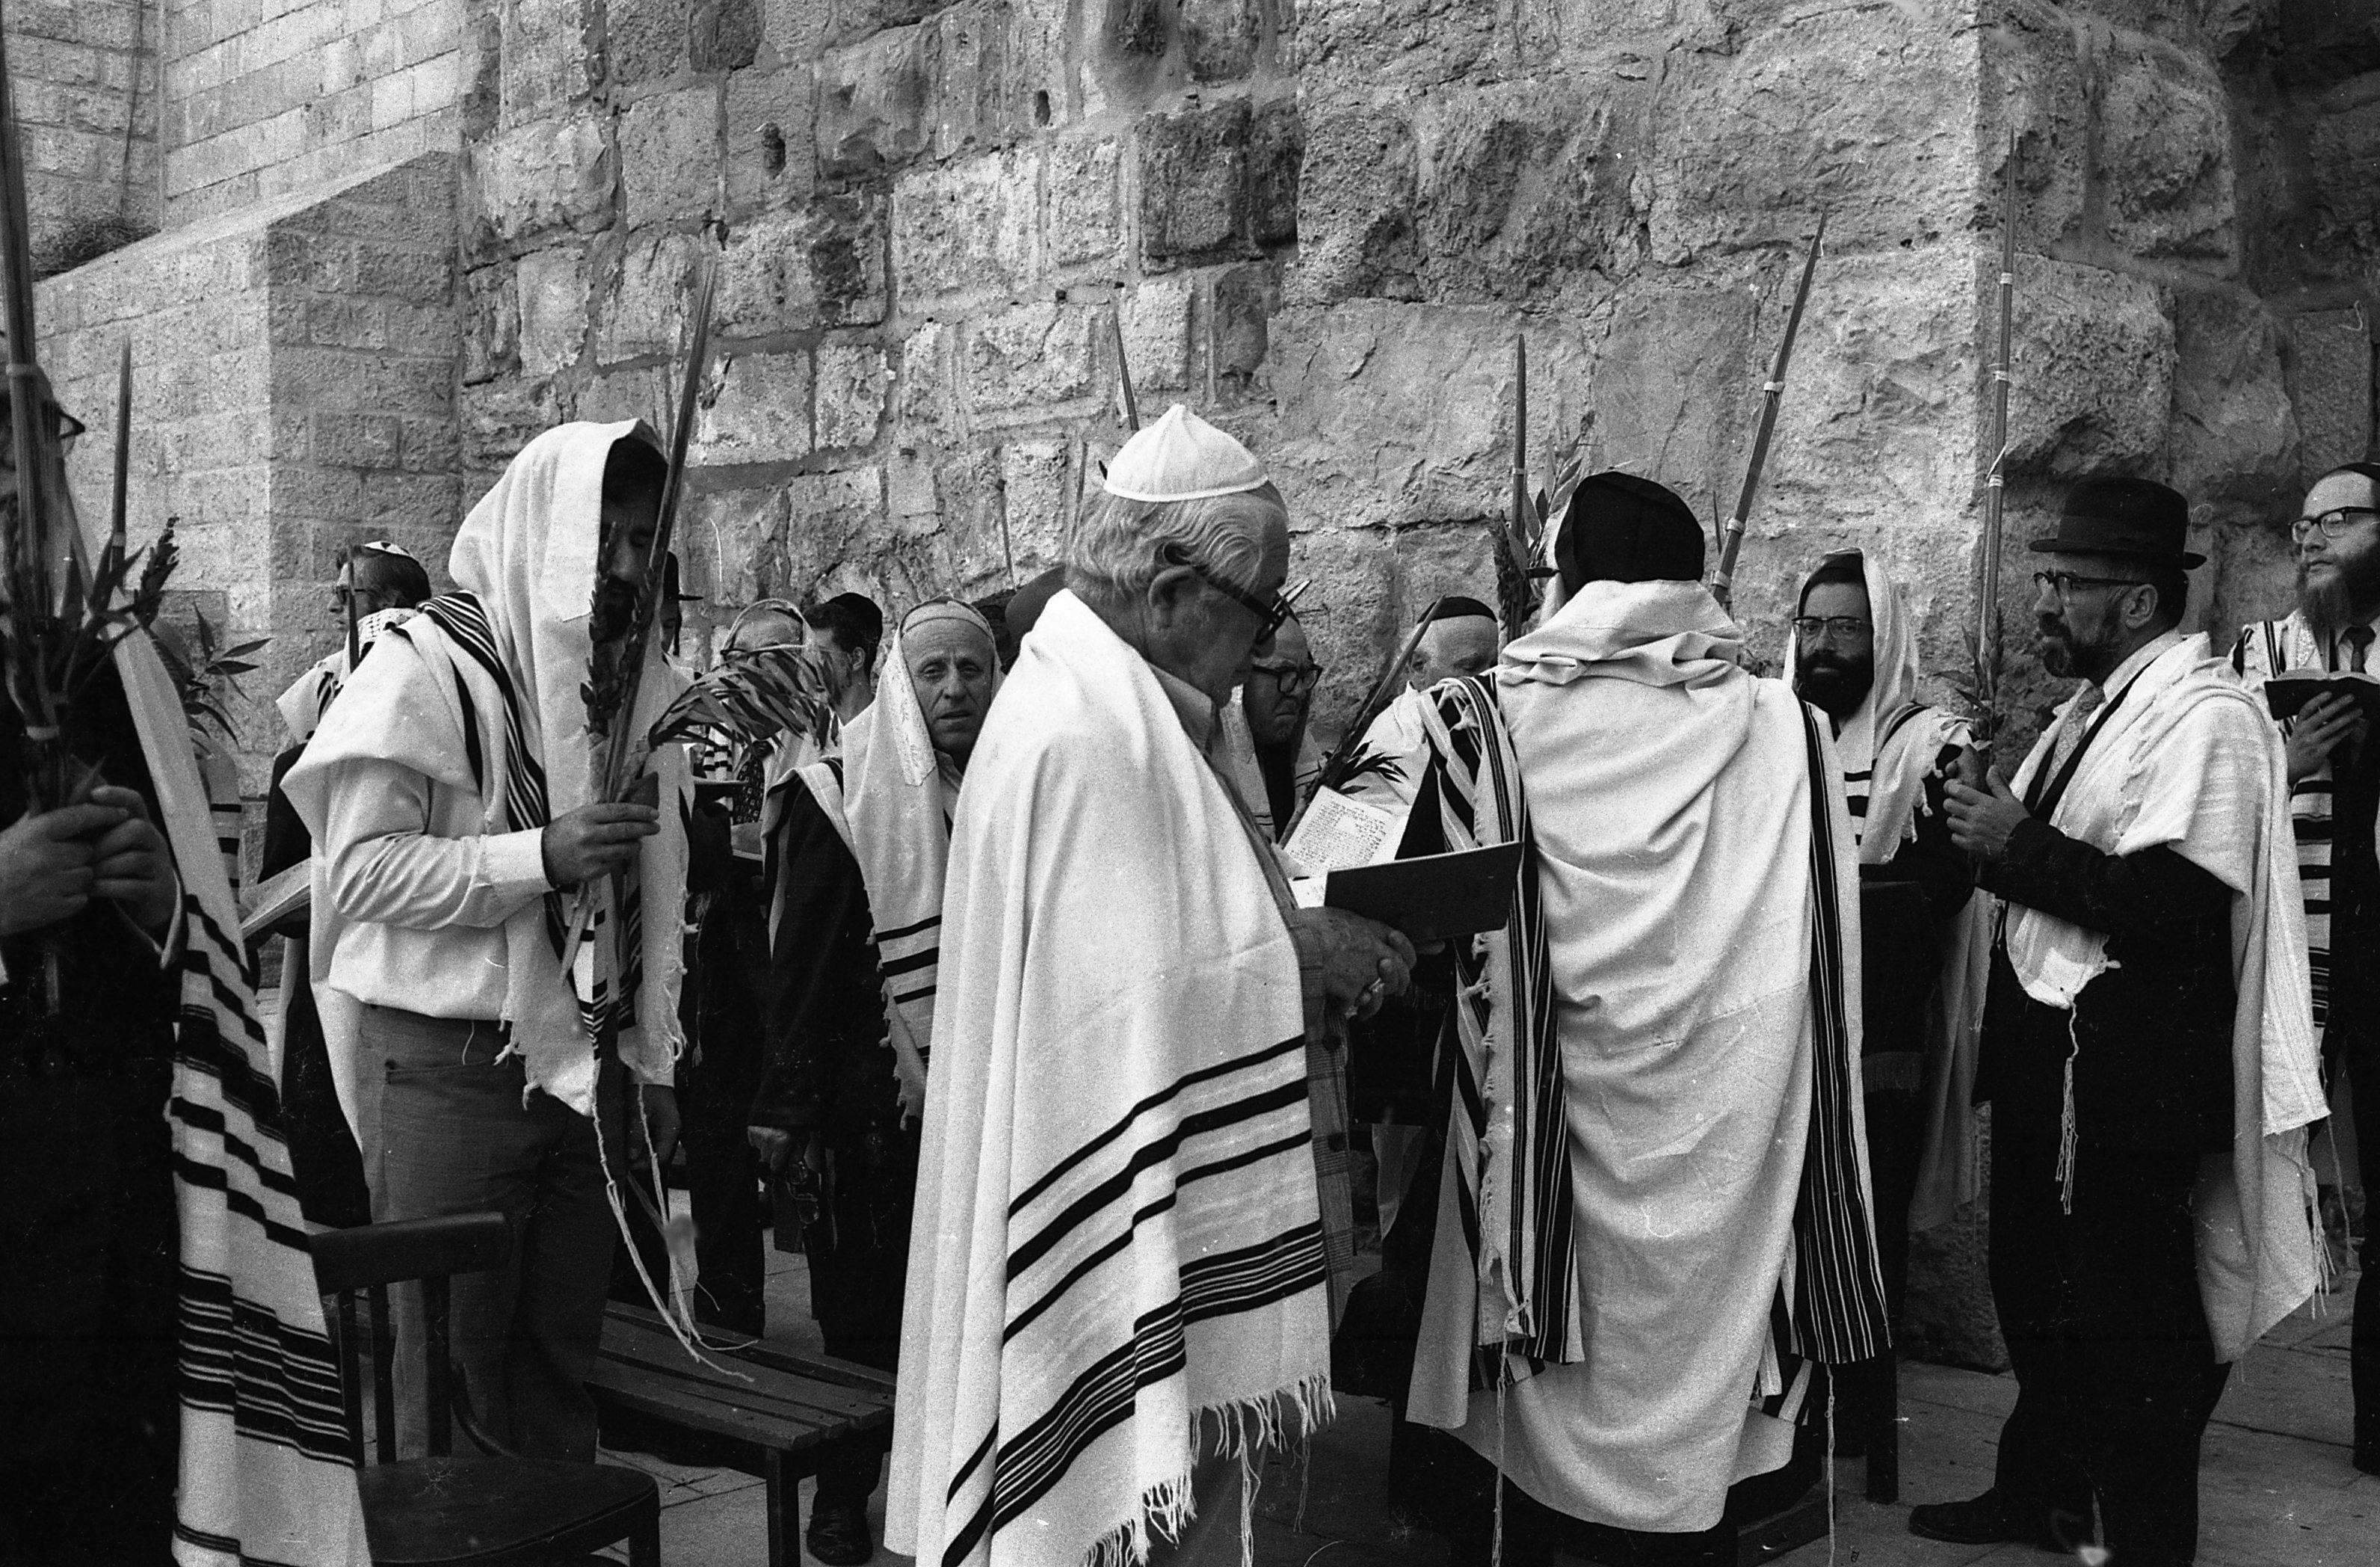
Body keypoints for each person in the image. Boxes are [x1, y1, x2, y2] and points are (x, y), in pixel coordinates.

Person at [885, 404, 1414, 1567]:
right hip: (1104, 1222)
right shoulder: (1084, 735)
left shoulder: (1120, 704)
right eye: (1262, 607)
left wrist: (1295, 944)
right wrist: (1304, 959)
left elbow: (1167, 945)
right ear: (1171, 592)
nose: (1267, 638)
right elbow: (1114, 1021)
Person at [1405, 472, 1890, 1567]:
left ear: (1568, 580)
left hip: (1556, 1163)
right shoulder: (1788, 730)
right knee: (1693, 1452)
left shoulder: (1482, 721)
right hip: (1730, 1146)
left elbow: (1426, 909)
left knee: (1544, 1496)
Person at [1917, 477, 2327, 1566]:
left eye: (2066, 583)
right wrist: (1977, 816)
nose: (2044, 601)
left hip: (2126, 1084)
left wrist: (2018, 844)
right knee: (2039, 1304)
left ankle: (2147, 1545)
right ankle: (2039, 1496)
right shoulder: (2092, 712)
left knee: (2133, 1334)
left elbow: (2172, 908)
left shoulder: (2212, 719)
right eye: (2046, 577)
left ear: (2139, 603)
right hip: (2060, 1072)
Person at [1, 389, 363, 1563]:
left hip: (122, 1200)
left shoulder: (121, 668)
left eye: (32, 466)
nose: (14, 496)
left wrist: (163, 907)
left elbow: (199, 936)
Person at [284, 420, 691, 1462]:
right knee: (442, 1368)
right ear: (547, 535)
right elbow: (361, 870)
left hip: (585, 1069)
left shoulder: (634, 682)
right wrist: (535, 858)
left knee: (559, 1361)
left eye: (648, 542)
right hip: (451, 1065)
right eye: (608, 538)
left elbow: (656, 885)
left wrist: (649, 1053)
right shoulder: (424, 666)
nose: (630, 568)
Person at [746, 597, 1002, 1564]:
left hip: (979, 1089)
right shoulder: (838, 794)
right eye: (932, 671)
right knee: (861, 1315)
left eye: (972, 670)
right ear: (901, 679)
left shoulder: (1010, 786)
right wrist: (788, 1105)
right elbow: (802, 963)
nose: (954, 690)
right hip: (869, 1104)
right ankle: (845, 1498)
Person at [1789, 549, 1985, 1462]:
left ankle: (1860, 1421)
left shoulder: (1930, 741)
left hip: (1880, 1032)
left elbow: (1945, 880)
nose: (1823, 647)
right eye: (1811, 626)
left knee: (1865, 1224)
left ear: (1883, 635)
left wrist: (1830, 897)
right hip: (1781, 1021)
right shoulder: (1775, 730)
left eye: (1844, 628)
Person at [2234, 461, 2380, 1477]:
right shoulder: (2258, 652)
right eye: (2304, 525)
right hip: (2289, 949)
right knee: (2241, 1174)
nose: (2316, 539)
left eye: (2342, 520)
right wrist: (2288, 756)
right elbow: (2219, 789)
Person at [265, 538, 435, 1228]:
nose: (335, 604)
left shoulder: (420, 688)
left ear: (389, 605)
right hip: (327, 952)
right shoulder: (324, 689)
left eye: (349, 594)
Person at [674, 598, 813, 1339]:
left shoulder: (825, 741)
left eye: (774, 656)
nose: (755, 673)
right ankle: (728, 1310)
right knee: (717, 1137)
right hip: (725, 963)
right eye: (742, 660)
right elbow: (701, 857)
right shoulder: (711, 745)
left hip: (793, 956)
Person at [1342, 595, 1499, 810]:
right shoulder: (1384, 746)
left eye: (1495, 666)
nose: (1488, 678)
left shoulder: (1507, 711)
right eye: (1471, 667)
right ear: (1418, 667)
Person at [1219, 609, 1323, 840]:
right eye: (1283, 672)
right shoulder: (1209, 773)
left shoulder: (1295, 754)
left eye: (1304, 673)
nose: (1298, 691)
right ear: (1239, 677)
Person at [804, 591, 884, 725]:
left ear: (856, 659)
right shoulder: (804, 727)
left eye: (820, 654)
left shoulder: (893, 724)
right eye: (806, 654)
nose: (809, 664)